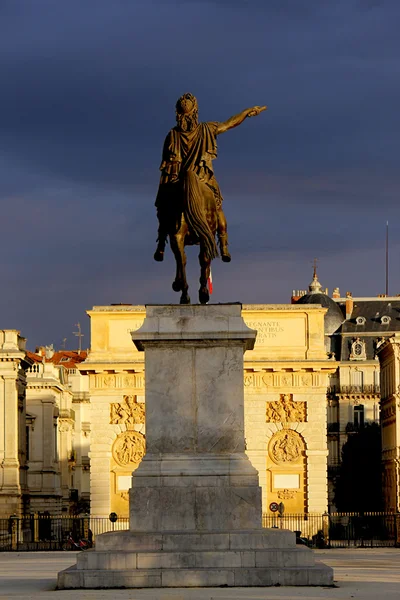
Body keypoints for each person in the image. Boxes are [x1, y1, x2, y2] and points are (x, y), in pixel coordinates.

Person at [154, 93, 267, 262]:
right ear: (195, 112)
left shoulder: (172, 135)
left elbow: (166, 167)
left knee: (163, 206)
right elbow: (229, 124)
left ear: (178, 114)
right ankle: (223, 245)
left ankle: (161, 243)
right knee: (218, 207)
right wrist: (246, 112)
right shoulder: (206, 129)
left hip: (177, 179)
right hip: (203, 179)